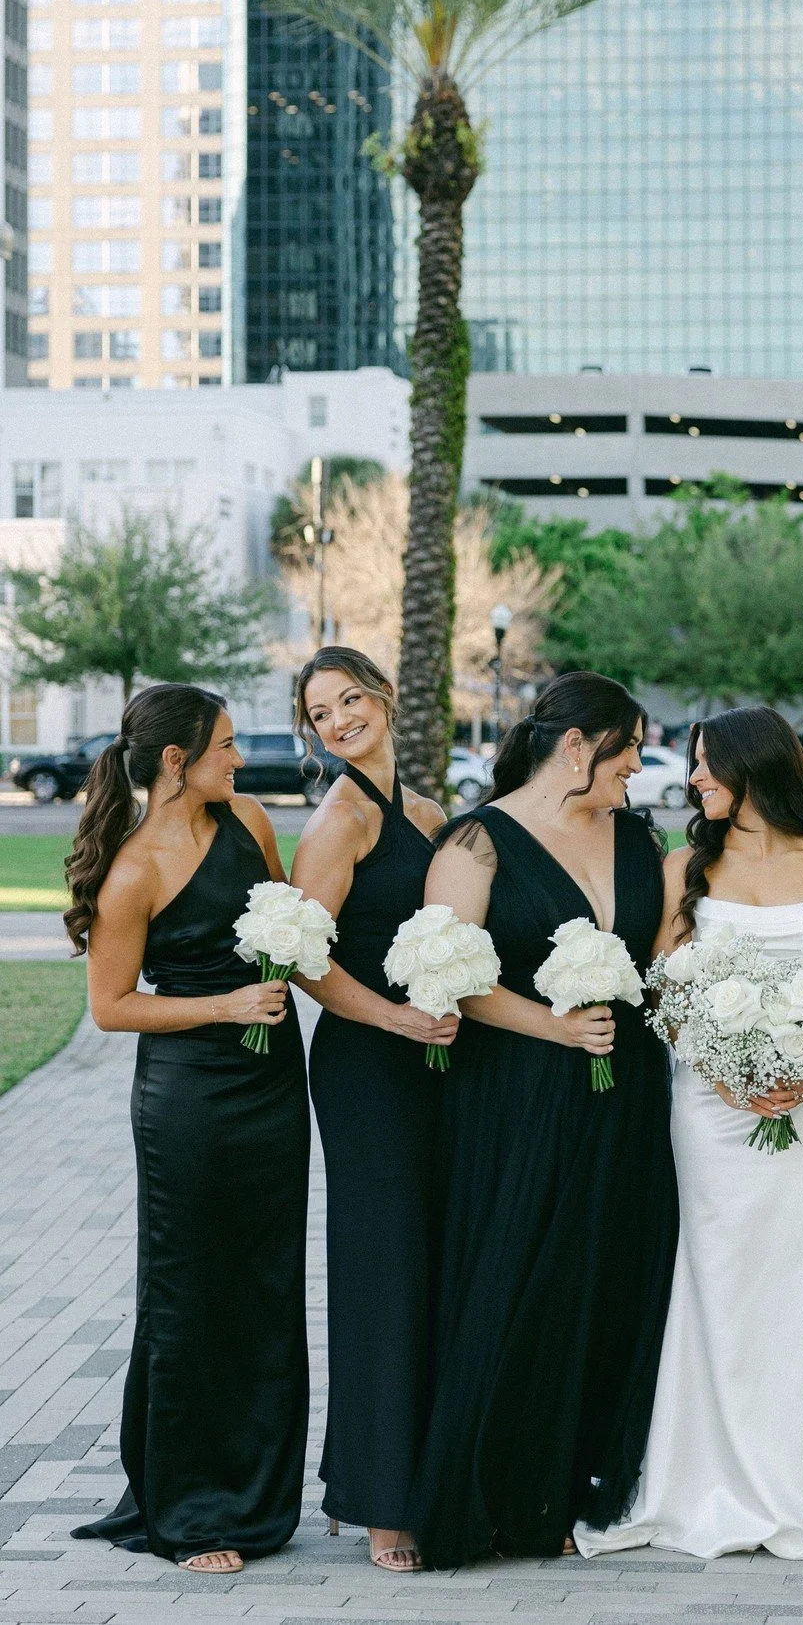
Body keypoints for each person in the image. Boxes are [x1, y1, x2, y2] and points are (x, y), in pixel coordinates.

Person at [577, 707, 803, 1561]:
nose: (693, 778)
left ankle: (799, 1476)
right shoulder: (683, 869)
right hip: (707, 1106)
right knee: (713, 1274)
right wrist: (729, 1071)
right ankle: (702, 1474)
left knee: (793, 1273)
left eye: (707, 765)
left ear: (755, 768)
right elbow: (662, 995)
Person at [406, 671, 678, 1566]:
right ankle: (499, 1493)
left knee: (613, 1273)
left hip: (629, 1089)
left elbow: (666, 960)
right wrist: (551, 1025)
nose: (639, 764)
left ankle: (582, 1485)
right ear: (576, 745)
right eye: (628, 747)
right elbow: (450, 974)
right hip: (516, 1092)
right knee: (522, 1276)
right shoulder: (477, 844)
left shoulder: (637, 837)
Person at [66, 686, 308, 1573]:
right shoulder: (130, 872)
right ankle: (191, 1508)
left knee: (266, 1282)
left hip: (275, 1084)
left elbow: (290, 924)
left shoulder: (248, 818)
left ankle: (261, 1492)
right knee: (191, 1290)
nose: (240, 760)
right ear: (176, 760)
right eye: (227, 745)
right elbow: (110, 1008)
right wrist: (226, 1005)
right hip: (190, 1102)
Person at [289, 648, 457, 1572]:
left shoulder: (428, 815)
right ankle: (380, 1500)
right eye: (322, 713)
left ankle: (415, 1469)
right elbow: (308, 959)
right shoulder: (340, 819)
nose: (342, 718)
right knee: (382, 1265)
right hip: (368, 1064)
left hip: (439, 1061)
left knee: (433, 1259)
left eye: (351, 698)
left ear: (385, 697)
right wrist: (395, 1017)